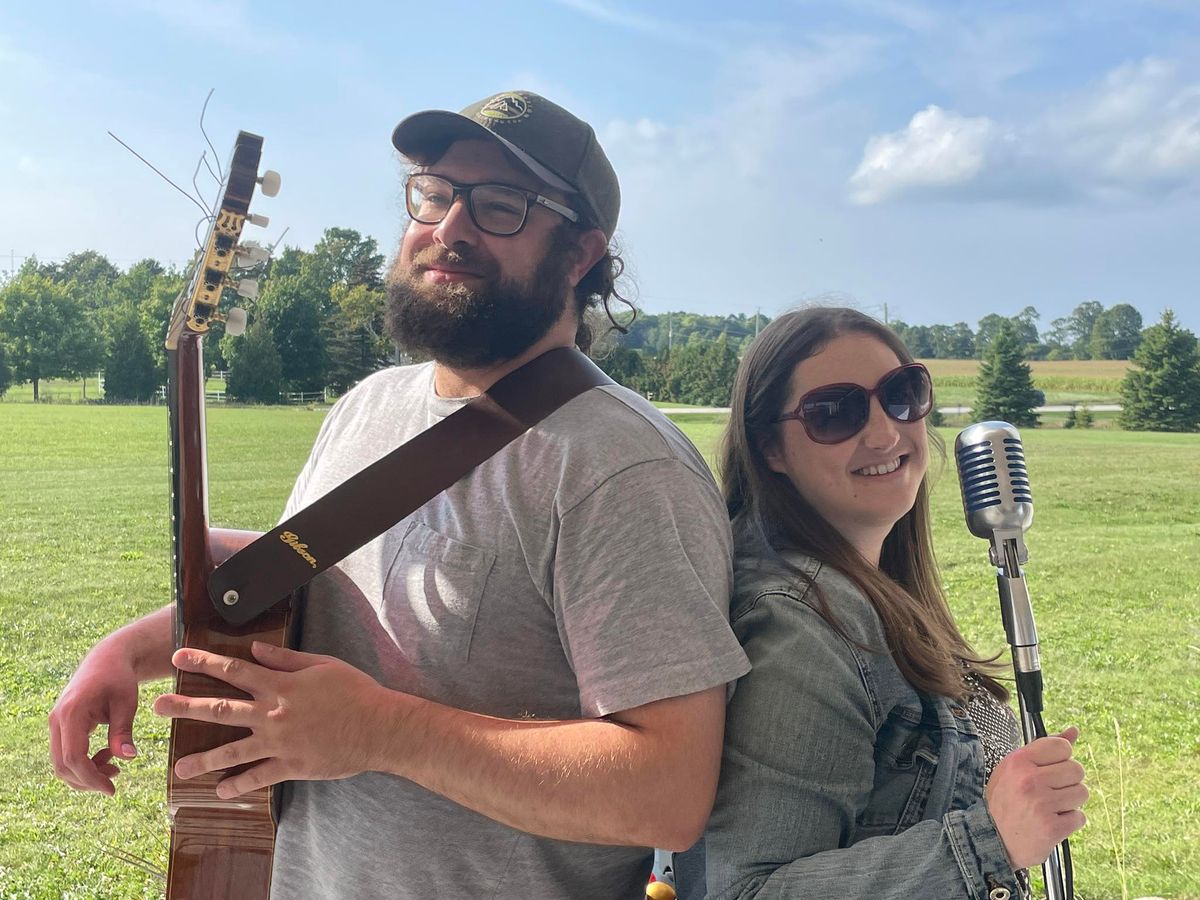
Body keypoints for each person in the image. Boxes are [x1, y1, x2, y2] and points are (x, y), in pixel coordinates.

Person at [49, 90, 750, 898]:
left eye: (502, 207)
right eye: (434, 192)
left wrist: (383, 731)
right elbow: (308, 591)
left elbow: (665, 793)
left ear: (581, 253)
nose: (450, 227)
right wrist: (131, 650)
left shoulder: (619, 467)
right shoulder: (370, 405)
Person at [679, 307, 1087, 899]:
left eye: (901, 394)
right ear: (770, 449)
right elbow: (748, 892)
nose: (884, 433)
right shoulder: (798, 630)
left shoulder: (864, 588)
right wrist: (991, 841)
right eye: (833, 413)